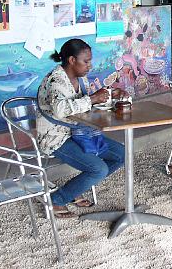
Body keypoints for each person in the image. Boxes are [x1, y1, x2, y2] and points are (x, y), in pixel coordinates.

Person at [36, 39, 126, 218]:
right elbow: (60, 109)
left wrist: (110, 95)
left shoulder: (79, 78)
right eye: (86, 61)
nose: (89, 66)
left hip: (79, 132)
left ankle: (73, 189)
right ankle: (56, 200)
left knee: (121, 155)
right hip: (55, 137)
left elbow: (86, 103)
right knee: (98, 169)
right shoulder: (56, 80)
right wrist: (93, 98)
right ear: (71, 60)